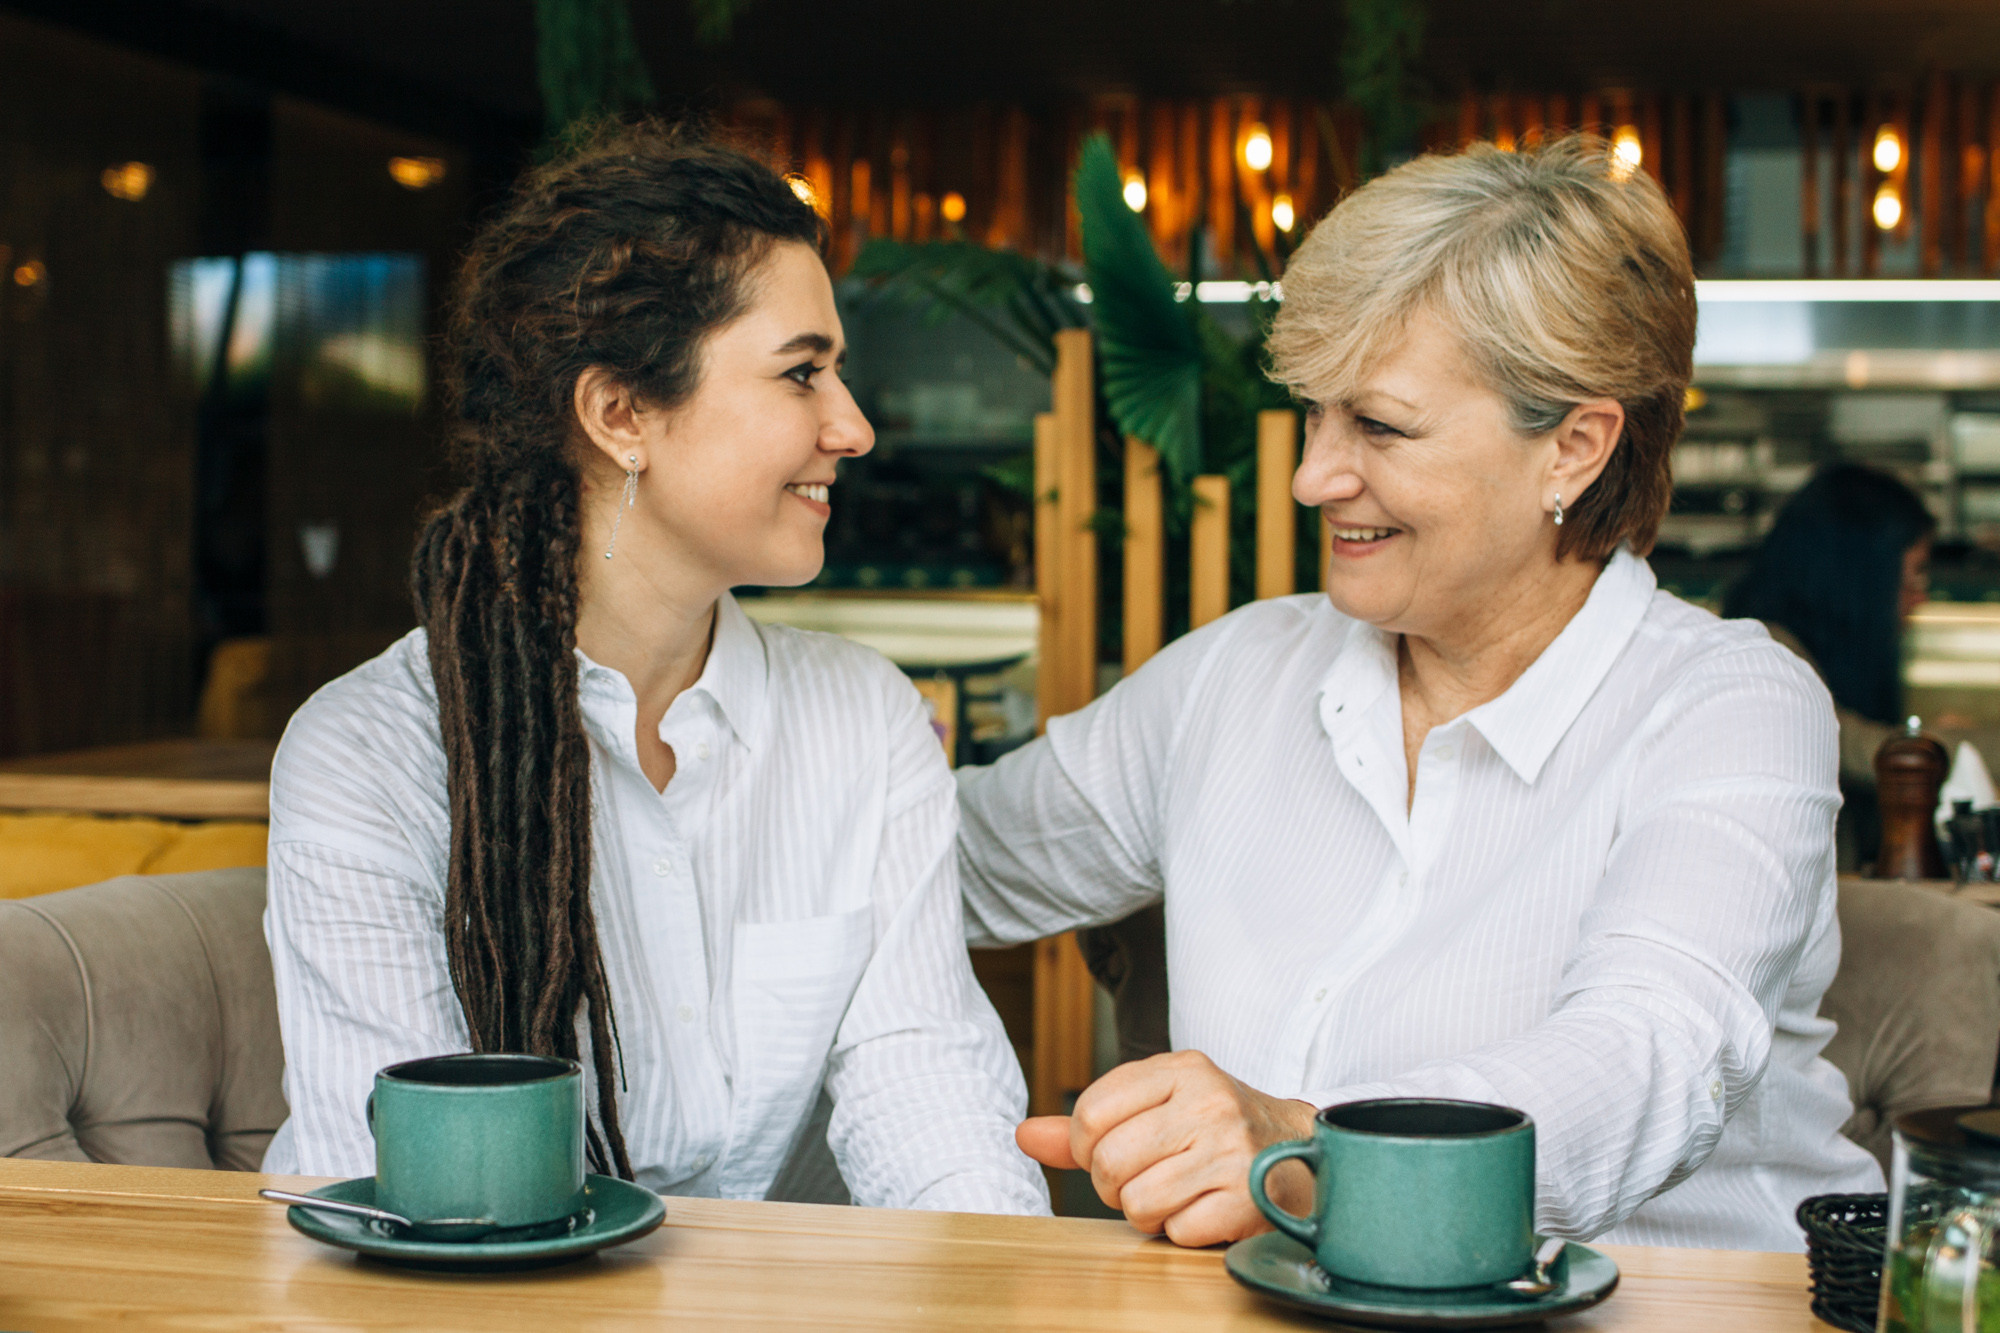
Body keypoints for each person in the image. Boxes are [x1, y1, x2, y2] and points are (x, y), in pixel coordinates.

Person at [956, 135, 1882, 1250]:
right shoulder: (1236, 674)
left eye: (1378, 427)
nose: (1312, 476)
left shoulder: (1729, 705)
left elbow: (1646, 1055)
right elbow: (936, 862)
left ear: (1574, 448)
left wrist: (1307, 1150)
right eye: (1314, 412)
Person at [260, 122, 1047, 1216]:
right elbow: (423, 1201)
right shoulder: (370, 753)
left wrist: (1004, 1286)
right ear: (620, 413)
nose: (854, 427)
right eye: (802, 374)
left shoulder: (862, 723)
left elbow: (923, 1086)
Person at [1722, 464, 1937, 871]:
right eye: (1912, 576)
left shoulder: (1827, 654)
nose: (1919, 598)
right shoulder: (1767, 654)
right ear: (1861, 575)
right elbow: (1860, 748)